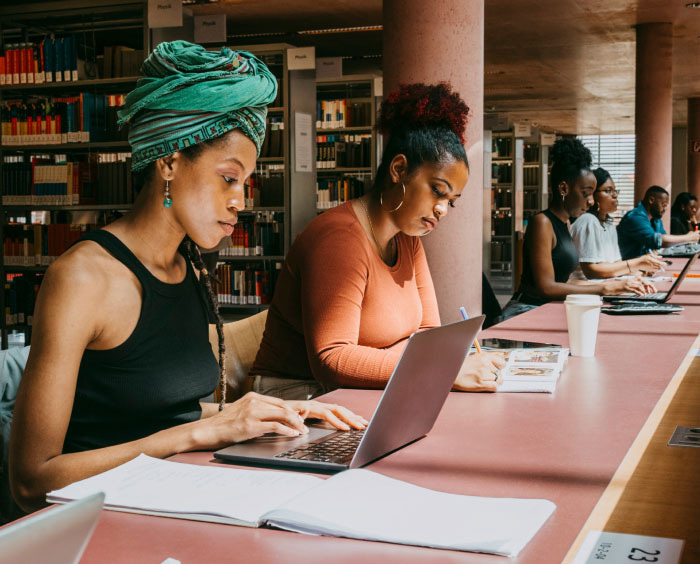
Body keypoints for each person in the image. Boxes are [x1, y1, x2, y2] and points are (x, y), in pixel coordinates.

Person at [8, 41, 366, 514]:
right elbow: (31, 480)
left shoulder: (189, 265)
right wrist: (196, 433)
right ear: (170, 162)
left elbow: (160, 412)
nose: (241, 200)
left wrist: (261, 414)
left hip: (167, 499)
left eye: (247, 183)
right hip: (92, 523)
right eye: (228, 178)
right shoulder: (82, 279)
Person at [251, 83, 505, 399]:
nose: (442, 209)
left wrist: (422, 360)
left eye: (452, 201)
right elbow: (333, 359)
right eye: (438, 191)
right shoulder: (340, 241)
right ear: (399, 169)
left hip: (358, 389)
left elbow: (426, 334)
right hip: (298, 396)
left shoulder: (409, 238)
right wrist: (438, 368)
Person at [500, 139, 652, 321]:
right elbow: (546, 287)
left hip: (547, 308)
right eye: (586, 193)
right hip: (525, 311)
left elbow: (564, 282)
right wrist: (605, 288)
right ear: (564, 188)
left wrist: (618, 284)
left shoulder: (566, 224)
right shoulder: (542, 222)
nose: (591, 201)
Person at [570, 167, 664, 280]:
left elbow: (616, 264)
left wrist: (637, 271)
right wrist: (637, 263)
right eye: (608, 191)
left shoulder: (609, 225)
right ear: (593, 195)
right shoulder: (587, 221)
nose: (615, 195)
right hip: (585, 292)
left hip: (606, 287)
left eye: (615, 191)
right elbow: (591, 271)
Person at [617, 186, 700, 260]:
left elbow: (664, 243)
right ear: (651, 200)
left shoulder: (656, 219)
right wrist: (688, 237)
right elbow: (658, 241)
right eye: (663, 205)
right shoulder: (635, 217)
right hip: (627, 266)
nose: (665, 208)